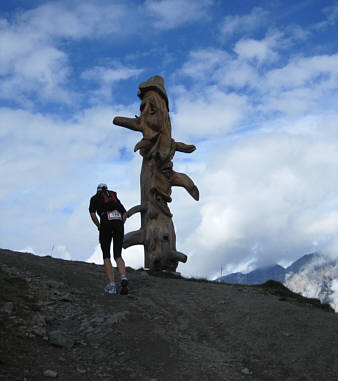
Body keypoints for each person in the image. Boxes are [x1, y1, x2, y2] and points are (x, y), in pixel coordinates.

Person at [89, 183, 129, 295]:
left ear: (98, 190)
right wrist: (121, 223)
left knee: (106, 255)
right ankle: (123, 277)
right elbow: (125, 213)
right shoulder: (114, 198)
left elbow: (92, 214)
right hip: (118, 224)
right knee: (118, 254)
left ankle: (112, 285)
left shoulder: (95, 198)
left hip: (105, 222)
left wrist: (98, 225)